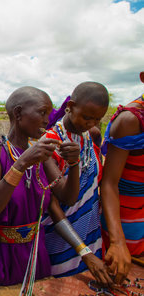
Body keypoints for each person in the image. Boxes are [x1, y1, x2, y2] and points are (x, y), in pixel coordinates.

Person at [0, 86, 111, 290]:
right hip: (0, 256)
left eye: (49, 113)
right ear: (18, 114)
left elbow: (62, 201)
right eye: (42, 112)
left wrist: (74, 163)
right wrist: (22, 163)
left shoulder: (40, 155)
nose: (47, 119)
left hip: (35, 254)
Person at [42, 82, 112, 279]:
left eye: (97, 119)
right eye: (86, 117)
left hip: (91, 232)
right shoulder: (50, 142)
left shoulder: (91, 136)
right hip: (61, 239)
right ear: (70, 106)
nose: (90, 123)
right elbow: (56, 203)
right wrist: (83, 251)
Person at [100, 72, 144, 281]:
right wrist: (118, 243)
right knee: (122, 278)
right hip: (126, 222)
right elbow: (109, 184)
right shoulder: (131, 120)